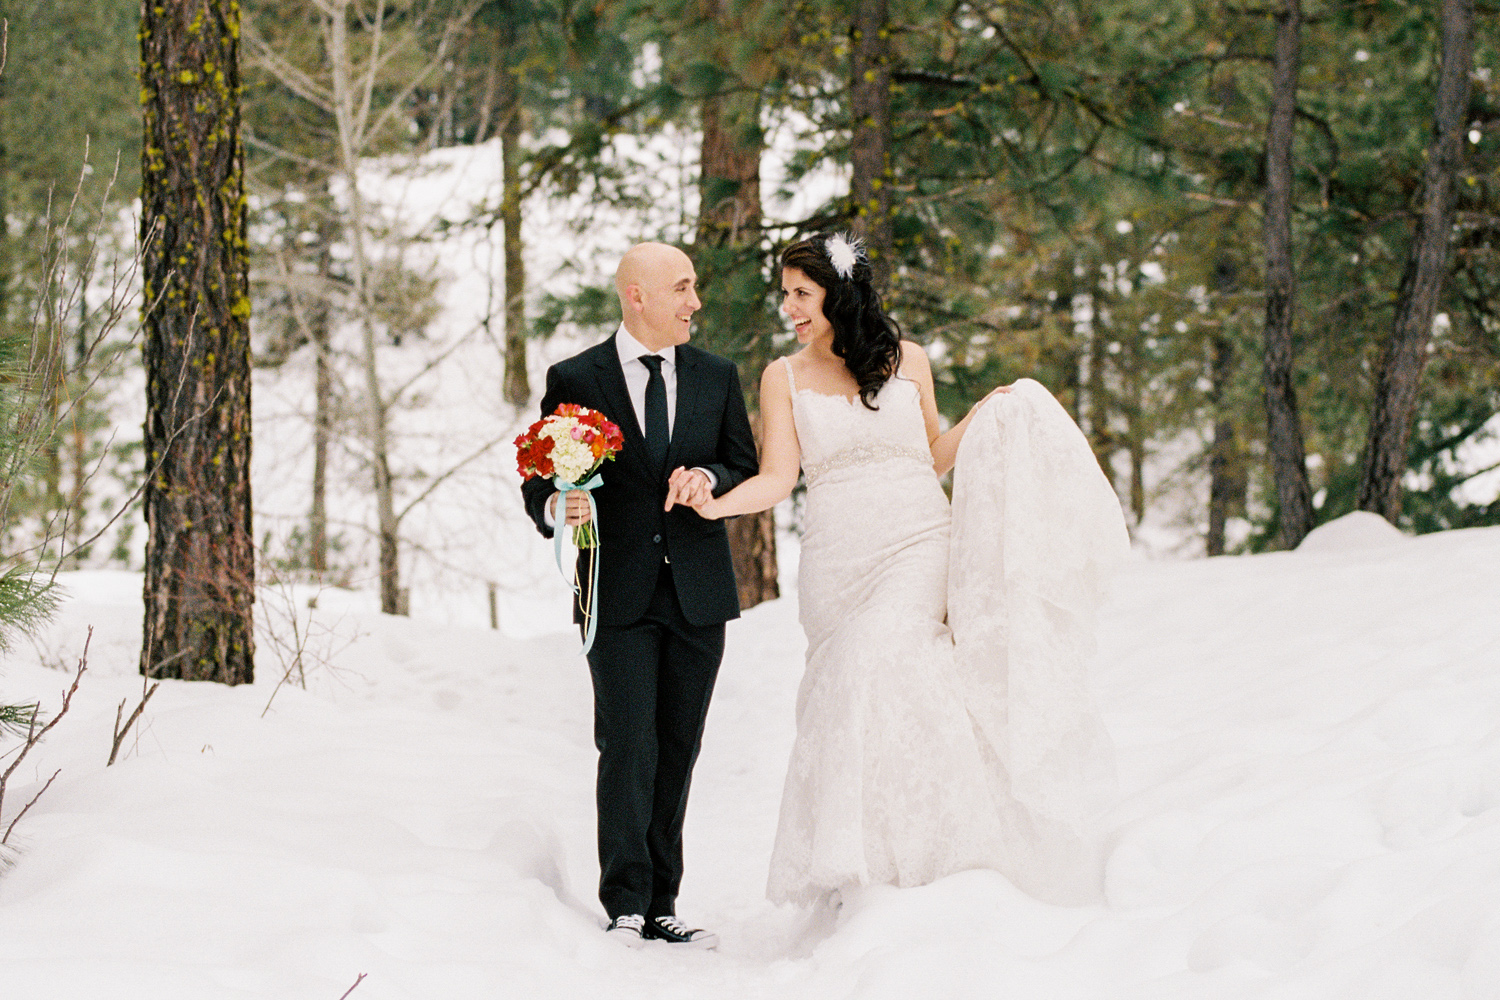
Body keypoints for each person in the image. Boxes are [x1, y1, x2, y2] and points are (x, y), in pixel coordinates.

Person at [683, 233, 1130, 906]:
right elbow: (778, 477)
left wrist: (985, 416)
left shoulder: (907, 359)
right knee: (851, 683)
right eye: (785, 296)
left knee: (883, 652)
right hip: (838, 560)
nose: (789, 308)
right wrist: (717, 504)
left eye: (801, 294)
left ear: (839, 292)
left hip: (919, 540)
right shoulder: (785, 376)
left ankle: (944, 853)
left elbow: (930, 453)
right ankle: (866, 865)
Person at [522, 242, 758, 947]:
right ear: (637, 296)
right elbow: (542, 473)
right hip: (615, 594)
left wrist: (709, 480)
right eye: (682, 288)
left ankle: (663, 902)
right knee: (628, 744)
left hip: (697, 593)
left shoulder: (718, 376)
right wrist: (553, 507)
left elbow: (741, 464)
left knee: (678, 746)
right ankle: (624, 901)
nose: (695, 302)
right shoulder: (576, 376)